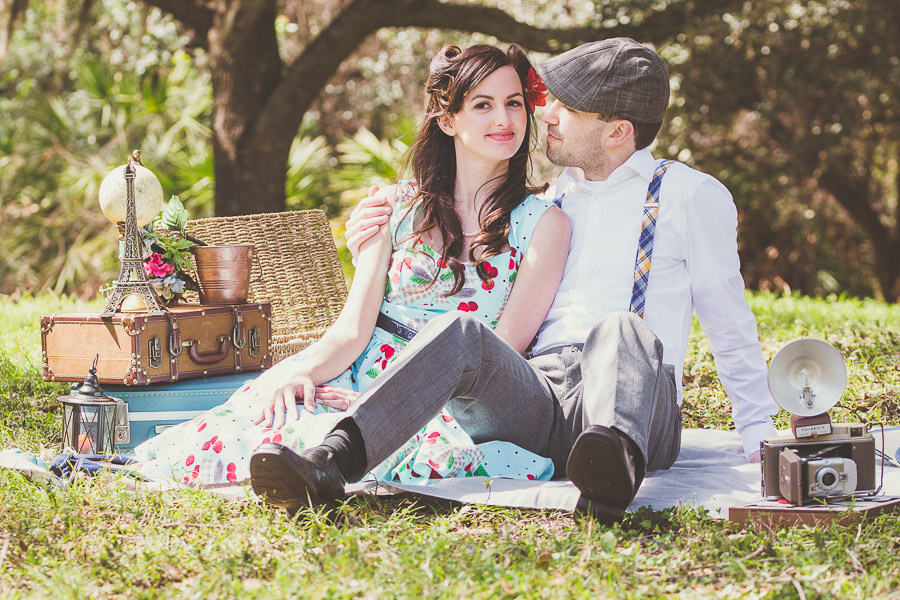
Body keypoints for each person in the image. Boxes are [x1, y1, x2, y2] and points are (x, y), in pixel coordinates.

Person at [249, 38, 779, 522]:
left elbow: (728, 319)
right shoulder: (550, 200)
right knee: (462, 333)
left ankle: (611, 470)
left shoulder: (689, 195)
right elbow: (466, 217)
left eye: (566, 107)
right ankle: (330, 465)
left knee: (621, 328)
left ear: (617, 132)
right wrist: (377, 226)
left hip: (635, 405)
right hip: (543, 394)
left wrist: (758, 434)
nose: (543, 112)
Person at [132, 44, 570, 487]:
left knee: (415, 455)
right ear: (448, 119)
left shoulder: (543, 224)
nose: (505, 120)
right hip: (362, 371)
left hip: (452, 398)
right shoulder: (396, 207)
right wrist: (301, 371)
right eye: (483, 105)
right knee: (264, 424)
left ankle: (346, 449)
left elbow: (502, 351)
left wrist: (387, 405)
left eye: (514, 103)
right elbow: (353, 328)